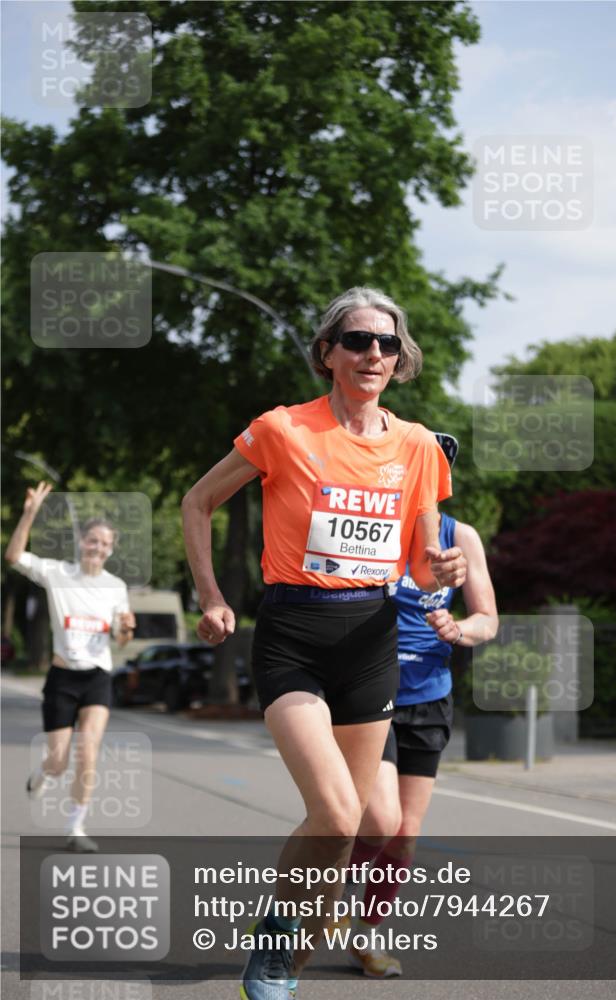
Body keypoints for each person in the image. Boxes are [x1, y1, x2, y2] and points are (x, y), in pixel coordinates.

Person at [181, 287, 467, 1000]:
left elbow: (420, 562)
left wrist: (447, 567)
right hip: (294, 636)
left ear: (400, 360)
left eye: (387, 344)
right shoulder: (282, 429)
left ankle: (293, 945)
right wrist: (212, 597)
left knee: (350, 828)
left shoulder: (418, 447)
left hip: (372, 641)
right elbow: (197, 501)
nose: (374, 353)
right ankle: (275, 954)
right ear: (327, 353)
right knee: (336, 812)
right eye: (358, 341)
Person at [340, 506, 498, 978]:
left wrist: (459, 629)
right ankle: (316, 901)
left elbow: (487, 619)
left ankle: (365, 937)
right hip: (370, 691)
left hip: (429, 698)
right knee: (380, 819)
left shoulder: (460, 535)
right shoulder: (372, 523)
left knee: (405, 836)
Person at [5, 482, 135, 853]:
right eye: (92, 540)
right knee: (59, 761)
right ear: (82, 542)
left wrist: (126, 629)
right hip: (62, 678)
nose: (98, 548)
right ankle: (44, 771)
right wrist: (30, 512)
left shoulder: (115, 586)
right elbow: (14, 556)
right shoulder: (57, 573)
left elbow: (121, 639)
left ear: (111, 550)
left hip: (97, 676)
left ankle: (75, 827)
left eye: (105, 544)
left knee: (88, 750)